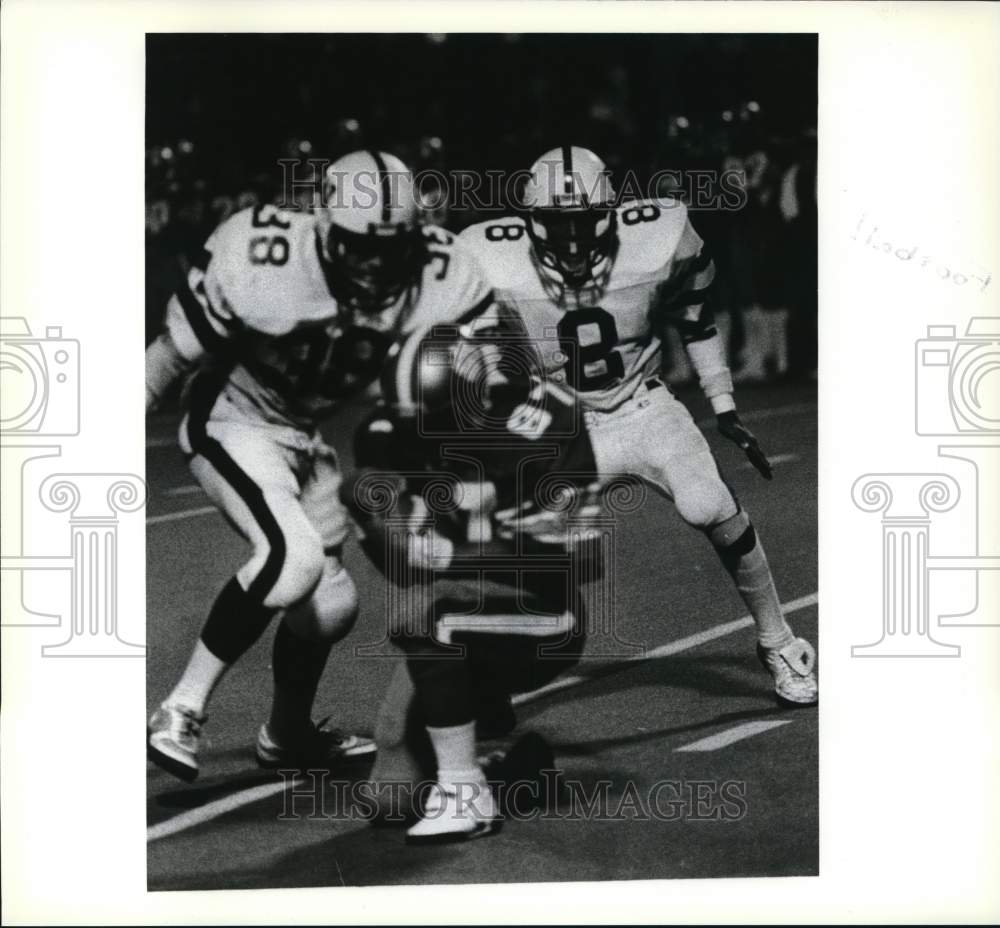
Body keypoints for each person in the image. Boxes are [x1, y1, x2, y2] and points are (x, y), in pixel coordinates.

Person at [144, 150, 495, 781]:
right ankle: (180, 710)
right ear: (325, 226)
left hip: (304, 438)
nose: (374, 266)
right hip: (233, 418)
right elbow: (169, 357)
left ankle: (286, 735)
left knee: (329, 607)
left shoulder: (445, 271)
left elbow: (487, 374)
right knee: (294, 558)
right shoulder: (266, 255)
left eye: (391, 249)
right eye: (360, 247)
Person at [458, 146, 818, 706]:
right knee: (519, 550)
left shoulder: (658, 239)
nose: (573, 241)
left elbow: (695, 320)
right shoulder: (487, 257)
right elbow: (471, 355)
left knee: (707, 503)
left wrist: (723, 405)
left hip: (644, 407)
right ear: (530, 222)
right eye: (558, 224)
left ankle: (780, 641)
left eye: (583, 224)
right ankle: (487, 676)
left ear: (609, 215)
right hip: (561, 423)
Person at [342, 318, 600, 843]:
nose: (421, 439)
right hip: (464, 603)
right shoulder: (394, 432)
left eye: (433, 422)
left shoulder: (547, 423)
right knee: (389, 799)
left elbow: (573, 560)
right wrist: (374, 525)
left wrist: (450, 557)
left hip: (545, 616)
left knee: (431, 623)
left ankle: (467, 795)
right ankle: (518, 767)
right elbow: (402, 568)